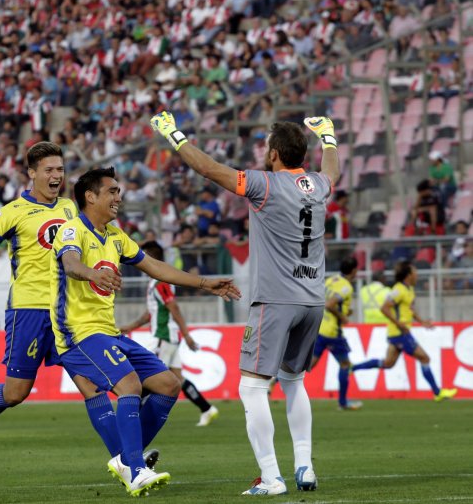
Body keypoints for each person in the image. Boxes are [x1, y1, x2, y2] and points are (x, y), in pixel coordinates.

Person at [152, 111, 339, 495]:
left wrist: (173, 134)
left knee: (252, 388)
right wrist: (330, 138)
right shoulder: (318, 185)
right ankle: (304, 465)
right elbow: (333, 172)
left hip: (275, 299)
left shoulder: (264, 185)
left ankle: (271, 478)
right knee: (293, 380)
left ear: (274, 154)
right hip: (312, 299)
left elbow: (208, 169)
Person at [0, 143, 147, 467]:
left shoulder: (71, 208)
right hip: (28, 310)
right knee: (15, 393)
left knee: (91, 387)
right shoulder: (13, 211)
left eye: (60, 169)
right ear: (32, 173)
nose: (57, 176)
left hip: (67, 313)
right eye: (49, 170)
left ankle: (127, 462)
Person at [51, 167, 240, 497]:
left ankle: (127, 457)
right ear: (90, 196)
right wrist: (92, 274)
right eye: (111, 191)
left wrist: (203, 283)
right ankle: (137, 470)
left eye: (119, 191)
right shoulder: (72, 230)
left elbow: (156, 267)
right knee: (130, 384)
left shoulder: (115, 236)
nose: (118, 197)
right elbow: (70, 264)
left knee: (168, 384)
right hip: (77, 333)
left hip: (107, 331)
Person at [119, 240, 220, 427]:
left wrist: (187, 334)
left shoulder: (159, 282)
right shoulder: (155, 282)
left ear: (151, 257)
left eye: (143, 255)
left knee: (148, 377)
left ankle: (132, 420)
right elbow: (151, 312)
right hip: (169, 337)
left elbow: (173, 307)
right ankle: (207, 409)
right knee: (178, 379)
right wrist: (130, 326)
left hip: (163, 337)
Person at [352, 261, 458, 402]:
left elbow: (409, 309)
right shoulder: (398, 290)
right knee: (424, 358)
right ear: (408, 275)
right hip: (399, 333)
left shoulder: (409, 289)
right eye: (415, 272)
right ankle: (437, 392)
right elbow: (384, 308)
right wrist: (399, 323)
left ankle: (353, 368)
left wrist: (422, 322)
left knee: (388, 363)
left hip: (400, 333)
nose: (417, 275)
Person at [309, 257, 362, 411]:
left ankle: (275, 379)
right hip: (333, 332)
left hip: (321, 327)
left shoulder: (332, 279)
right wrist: (343, 316)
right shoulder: (346, 287)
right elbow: (330, 304)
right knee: (345, 364)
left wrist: (345, 310)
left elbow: (326, 300)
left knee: (309, 364)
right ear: (354, 271)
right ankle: (343, 402)